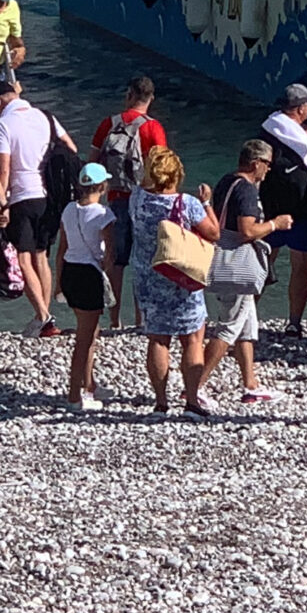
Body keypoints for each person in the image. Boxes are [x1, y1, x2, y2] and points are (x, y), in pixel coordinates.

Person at [128, 147, 221, 414]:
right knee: (192, 339)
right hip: (181, 276)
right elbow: (213, 233)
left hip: (148, 275)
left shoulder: (138, 199)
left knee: (158, 339)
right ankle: (191, 400)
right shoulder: (186, 203)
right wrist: (206, 202)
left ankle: (161, 401)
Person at [206, 139, 291, 407]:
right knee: (229, 328)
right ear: (256, 163)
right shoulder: (247, 191)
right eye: (267, 164)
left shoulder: (226, 182)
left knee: (246, 327)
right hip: (237, 269)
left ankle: (250, 384)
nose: (268, 170)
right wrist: (275, 224)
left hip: (222, 259)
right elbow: (247, 231)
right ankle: (195, 386)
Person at [0, 73, 72, 338]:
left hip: (22, 196)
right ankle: (43, 318)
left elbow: (2, 169)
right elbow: (70, 147)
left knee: (23, 258)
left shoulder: (4, 124)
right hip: (50, 197)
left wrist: (0, 204)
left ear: (0, 101)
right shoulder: (46, 116)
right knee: (41, 256)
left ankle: (44, 317)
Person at [93, 77, 168, 327]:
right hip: (145, 201)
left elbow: (92, 164)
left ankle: (114, 320)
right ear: (151, 98)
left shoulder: (109, 124)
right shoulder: (153, 128)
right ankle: (141, 320)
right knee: (143, 261)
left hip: (116, 198)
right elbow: (163, 170)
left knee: (116, 260)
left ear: (129, 94)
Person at [259, 84, 307, 337]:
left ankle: (247, 316)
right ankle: (294, 322)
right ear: (300, 108)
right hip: (303, 209)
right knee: (301, 267)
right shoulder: (305, 135)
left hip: (271, 208)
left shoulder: (266, 132)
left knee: (262, 263)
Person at [58, 163, 120, 409]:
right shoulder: (104, 215)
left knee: (89, 332)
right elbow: (110, 254)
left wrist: (58, 282)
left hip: (70, 270)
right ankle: (74, 395)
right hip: (88, 275)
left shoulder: (68, 209)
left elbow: (62, 247)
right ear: (101, 187)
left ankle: (89, 385)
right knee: (84, 339)